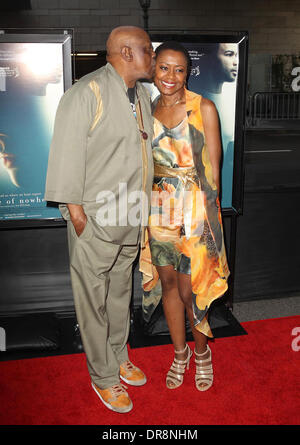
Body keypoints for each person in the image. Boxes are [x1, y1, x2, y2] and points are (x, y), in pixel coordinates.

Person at [45, 26, 155, 413]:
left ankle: (118, 354)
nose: (153, 56)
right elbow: (65, 156)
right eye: (147, 50)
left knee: (120, 295)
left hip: (130, 217)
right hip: (94, 220)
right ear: (126, 52)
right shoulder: (85, 93)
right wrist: (76, 215)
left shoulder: (140, 94)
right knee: (92, 302)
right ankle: (103, 377)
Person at [140, 41, 229, 392]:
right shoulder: (146, 109)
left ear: (187, 72)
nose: (171, 77)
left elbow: (215, 176)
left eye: (179, 69)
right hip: (159, 210)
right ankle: (180, 353)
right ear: (154, 69)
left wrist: (206, 226)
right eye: (164, 68)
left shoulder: (202, 107)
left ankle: (202, 353)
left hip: (194, 212)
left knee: (191, 290)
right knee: (167, 285)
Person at [189, 42, 238, 208]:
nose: (236, 62)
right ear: (210, 59)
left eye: (236, 55)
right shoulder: (198, 105)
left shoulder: (228, 102)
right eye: (229, 54)